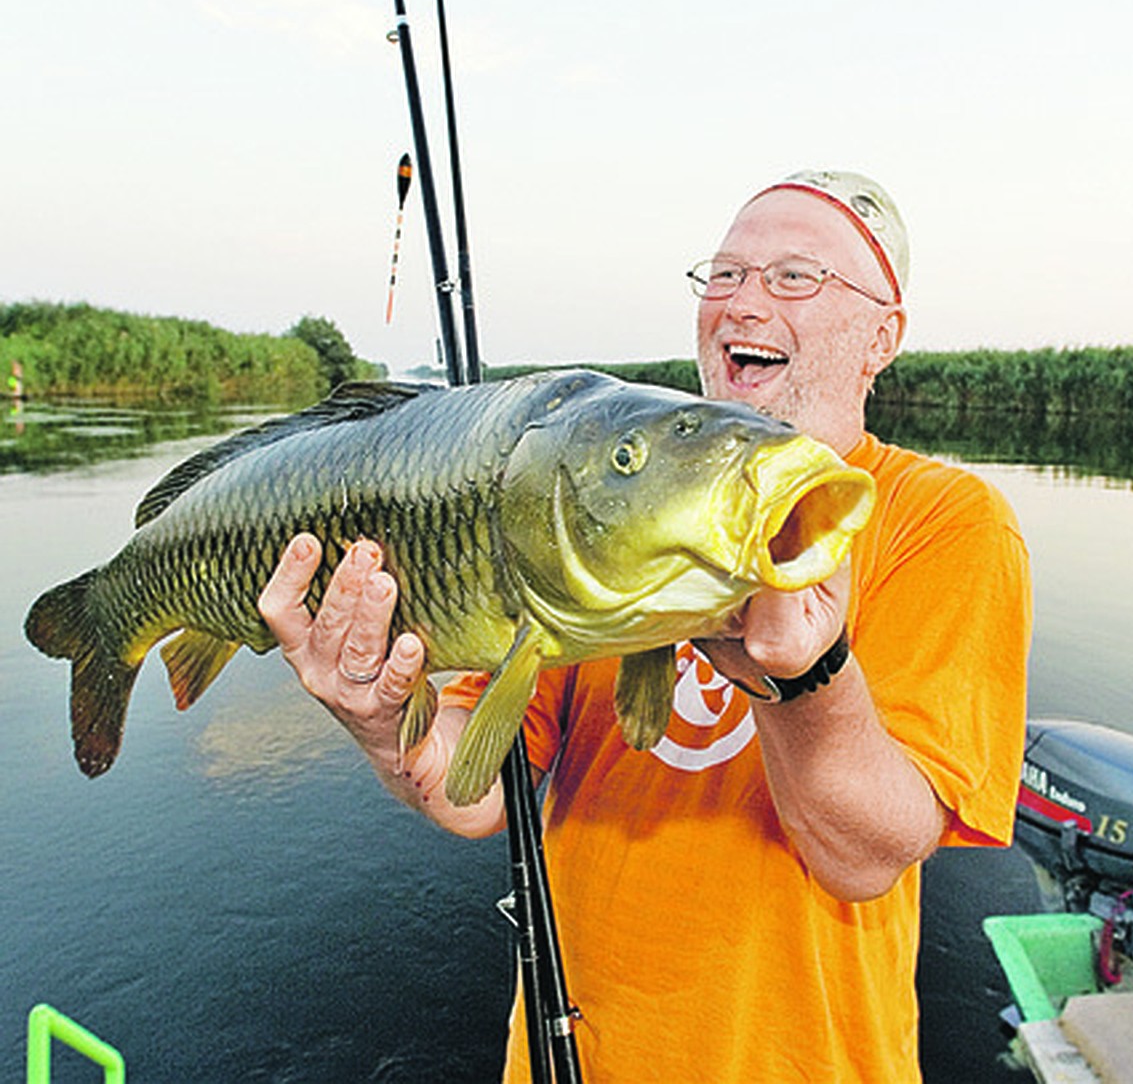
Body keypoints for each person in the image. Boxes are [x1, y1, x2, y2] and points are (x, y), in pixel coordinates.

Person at [258, 169, 1032, 1082]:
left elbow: (866, 856)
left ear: (881, 336)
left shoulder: (945, 520)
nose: (745, 302)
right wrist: (388, 728)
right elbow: (481, 794)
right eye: (726, 275)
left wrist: (803, 677)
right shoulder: (587, 501)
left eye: (794, 277)